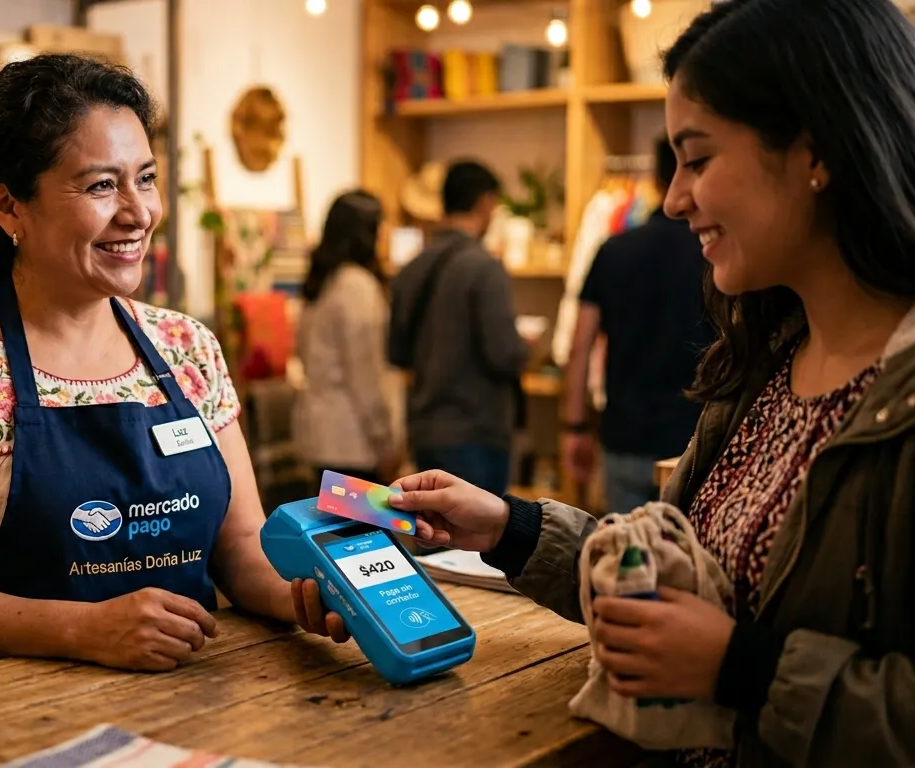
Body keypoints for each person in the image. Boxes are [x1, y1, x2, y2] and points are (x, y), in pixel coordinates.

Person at [382, 0, 915, 764]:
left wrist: (740, 668)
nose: (671, 199)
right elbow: (666, 585)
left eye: (697, 159)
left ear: (815, 151)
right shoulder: (763, 370)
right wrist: (509, 528)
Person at [0, 54, 348, 674]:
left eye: (145, 178)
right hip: (24, 716)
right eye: (100, 186)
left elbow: (241, 549)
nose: (138, 212)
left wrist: (311, 598)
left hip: (202, 696)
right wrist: (85, 628)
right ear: (9, 206)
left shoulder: (186, 347)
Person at [562, 136, 714, 514]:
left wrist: (575, 426)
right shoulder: (715, 254)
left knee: (623, 562)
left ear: (655, 178)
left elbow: (580, 344)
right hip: (692, 440)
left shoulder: (615, 250)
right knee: (683, 563)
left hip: (625, 435)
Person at [388, 160, 527, 495]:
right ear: (485, 203)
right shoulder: (484, 267)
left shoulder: (410, 268)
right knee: (477, 542)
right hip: (476, 432)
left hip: (424, 430)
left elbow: (396, 352)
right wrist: (529, 347)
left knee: (432, 537)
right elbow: (504, 353)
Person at [293, 190, 400, 486]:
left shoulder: (322, 280)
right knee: (361, 532)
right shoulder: (357, 286)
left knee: (333, 531)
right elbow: (365, 376)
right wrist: (385, 440)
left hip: (320, 435)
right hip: (352, 440)